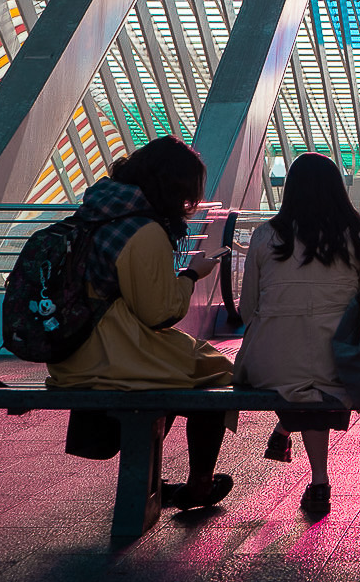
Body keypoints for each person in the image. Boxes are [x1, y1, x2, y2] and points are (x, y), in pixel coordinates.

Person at [49, 136, 235, 510]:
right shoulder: (144, 231)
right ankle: (199, 484)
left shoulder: (92, 214)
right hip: (112, 356)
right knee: (215, 372)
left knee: (171, 365)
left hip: (70, 353)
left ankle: (150, 478)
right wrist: (192, 275)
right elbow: (159, 313)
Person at [234, 152, 360, 517]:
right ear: (337, 189)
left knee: (298, 372)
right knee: (318, 374)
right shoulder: (357, 235)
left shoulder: (266, 235)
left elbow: (246, 308)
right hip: (337, 358)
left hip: (268, 361)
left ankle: (294, 444)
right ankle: (318, 480)